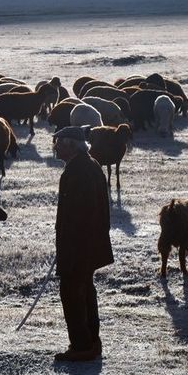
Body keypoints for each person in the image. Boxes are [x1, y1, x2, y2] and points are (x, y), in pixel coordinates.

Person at [52, 125, 114, 361]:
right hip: (85, 245)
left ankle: (81, 346)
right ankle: (90, 341)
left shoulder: (78, 171)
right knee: (85, 291)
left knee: (72, 293)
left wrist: (70, 244)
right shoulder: (87, 165)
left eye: (58, 143)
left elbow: (81, 214)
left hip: (79, 246)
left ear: (70, 145)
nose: (55, 148)